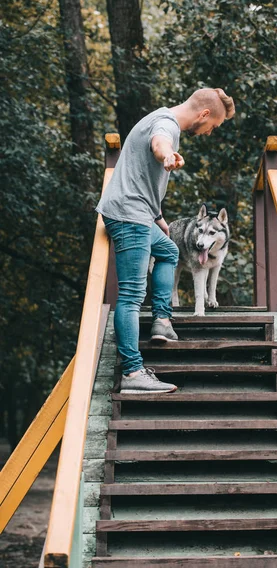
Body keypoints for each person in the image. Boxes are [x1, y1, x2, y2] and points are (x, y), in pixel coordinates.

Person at [96, 88, 235, 393]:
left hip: (142, 214)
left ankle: (162, 320)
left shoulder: (163, 118)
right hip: (128, 216)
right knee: (132, 295)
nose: (210, 132)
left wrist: (159, 217)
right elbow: (160, 144)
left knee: (170, 251)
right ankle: (132, 373)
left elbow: (141, 175)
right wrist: (167, 155)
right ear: (204, 114)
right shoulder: (166, 126)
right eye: (214, 126)